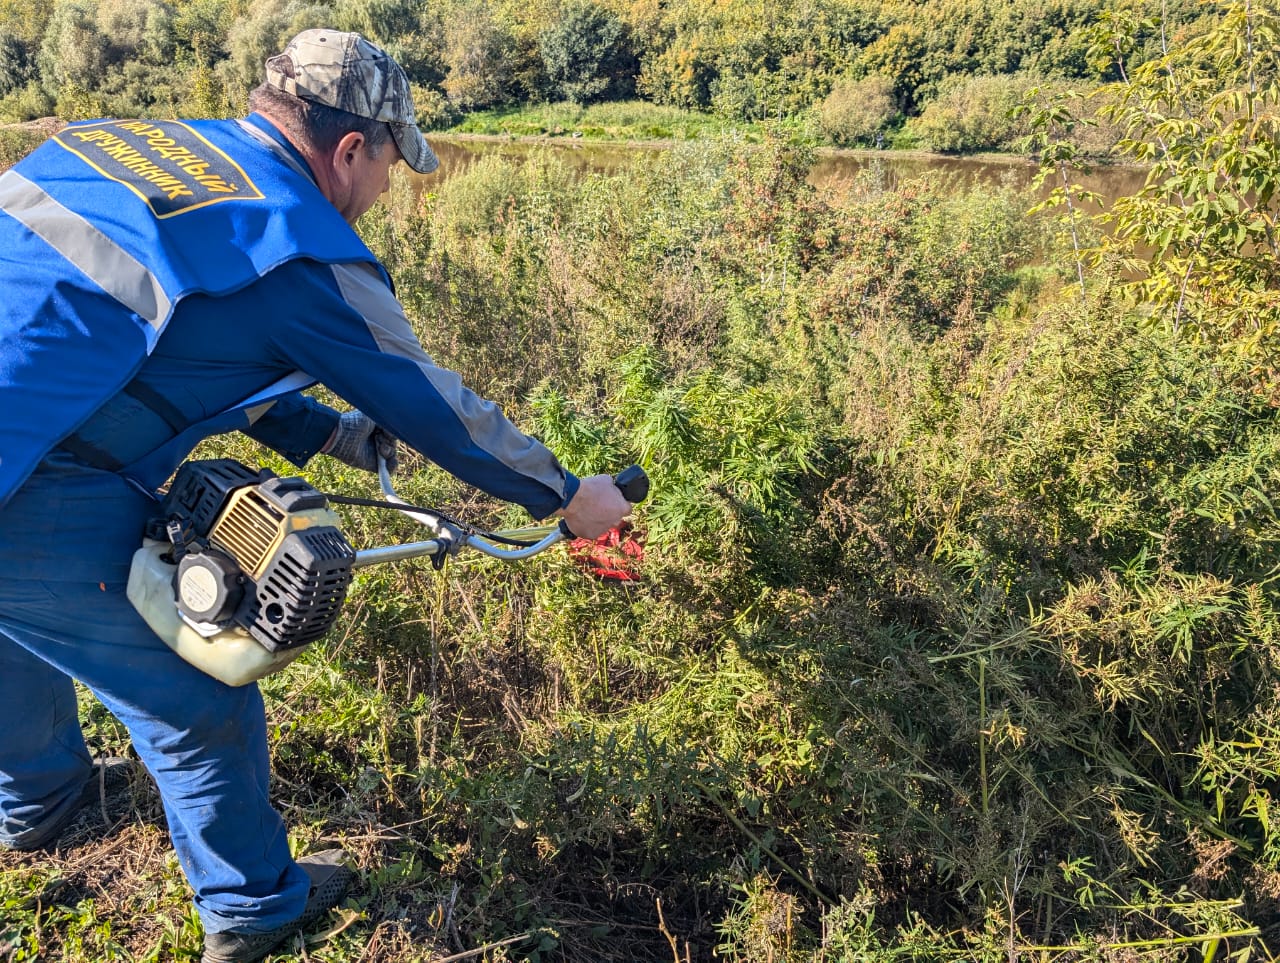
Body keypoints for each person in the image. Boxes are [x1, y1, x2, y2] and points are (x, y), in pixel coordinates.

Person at [0, 28, 632, 963]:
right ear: (350, 149)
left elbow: (185, 349)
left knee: (19, 617)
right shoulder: (298, 248)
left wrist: (334, 431)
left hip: (24, 437)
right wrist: (569, 495)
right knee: (196, 695)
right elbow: (436, 406)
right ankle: (254, 909)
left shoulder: (139, 150)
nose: (383, 195)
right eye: (389, 166)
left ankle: (39, 801)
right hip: (27, 480)